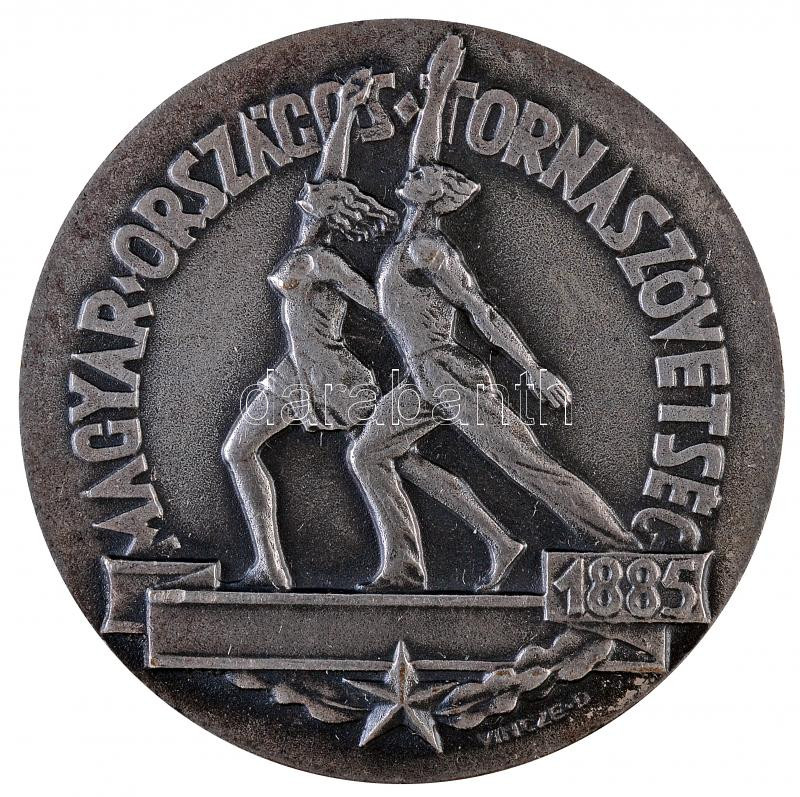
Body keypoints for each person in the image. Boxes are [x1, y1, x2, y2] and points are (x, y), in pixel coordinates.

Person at [348, 35, 641, 592]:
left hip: (452, 373)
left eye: (423, 176)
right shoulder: (410, 234)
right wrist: (437, 91)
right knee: (369, 454)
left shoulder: (430, 250)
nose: (412, 173)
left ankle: (621, 548)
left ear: (435, 195)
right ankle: (406, 568)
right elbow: (423, 153)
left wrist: (533, 370)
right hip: (421, 377)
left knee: (526, 464)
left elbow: (481, 312)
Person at [223, 66, 524, 590]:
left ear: (333, 208)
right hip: (294, 373)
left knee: (394, 459)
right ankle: (270, 566)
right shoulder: (305, 244)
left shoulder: (327, 263)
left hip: (335, 378)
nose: (311, 190)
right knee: (240, 451)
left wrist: (424, 336)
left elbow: (384, 309)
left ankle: (489, 540)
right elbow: (329, 169)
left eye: (323, 192)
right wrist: (344, 113)